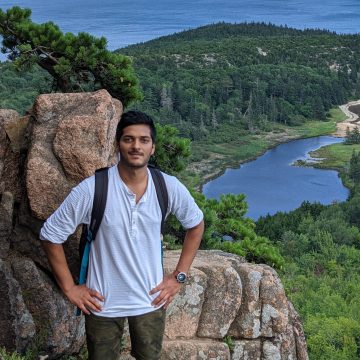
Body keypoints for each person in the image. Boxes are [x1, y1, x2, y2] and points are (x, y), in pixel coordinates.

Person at [40, 110, 204, 360]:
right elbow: (51, 234)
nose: (136, 146)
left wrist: (179, 276)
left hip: (150, 300)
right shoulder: (93, 189)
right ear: (118, 144)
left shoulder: (167, 186)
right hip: (102, 302)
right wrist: (70, 288)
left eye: (143, 140)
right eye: (128, 139)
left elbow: (196, 224)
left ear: (153, 148)